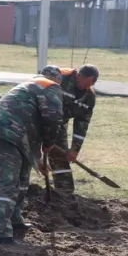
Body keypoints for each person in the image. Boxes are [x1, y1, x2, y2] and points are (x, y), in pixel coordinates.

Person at [0, 76, 64, 245]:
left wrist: (39, 157)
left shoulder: (31, 89)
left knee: (23, 175)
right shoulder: (52, 88)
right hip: (9, 133)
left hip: (0, 131)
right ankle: (1, 233)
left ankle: (16, 219)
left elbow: (31, 122)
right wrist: (49, 143)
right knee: (9, 181)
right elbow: (53, 118)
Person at [40, 64, 98, 194]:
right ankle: (19, 186)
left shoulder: (89, 97)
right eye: (85, 83)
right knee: (26, 153)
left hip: (58, 124)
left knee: (60, 158)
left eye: (90, 85)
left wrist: (75, 149)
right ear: (78, 75)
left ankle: (64, 194)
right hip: (36, 117)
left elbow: (82, 124)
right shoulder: (61, 76)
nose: (86, 87)